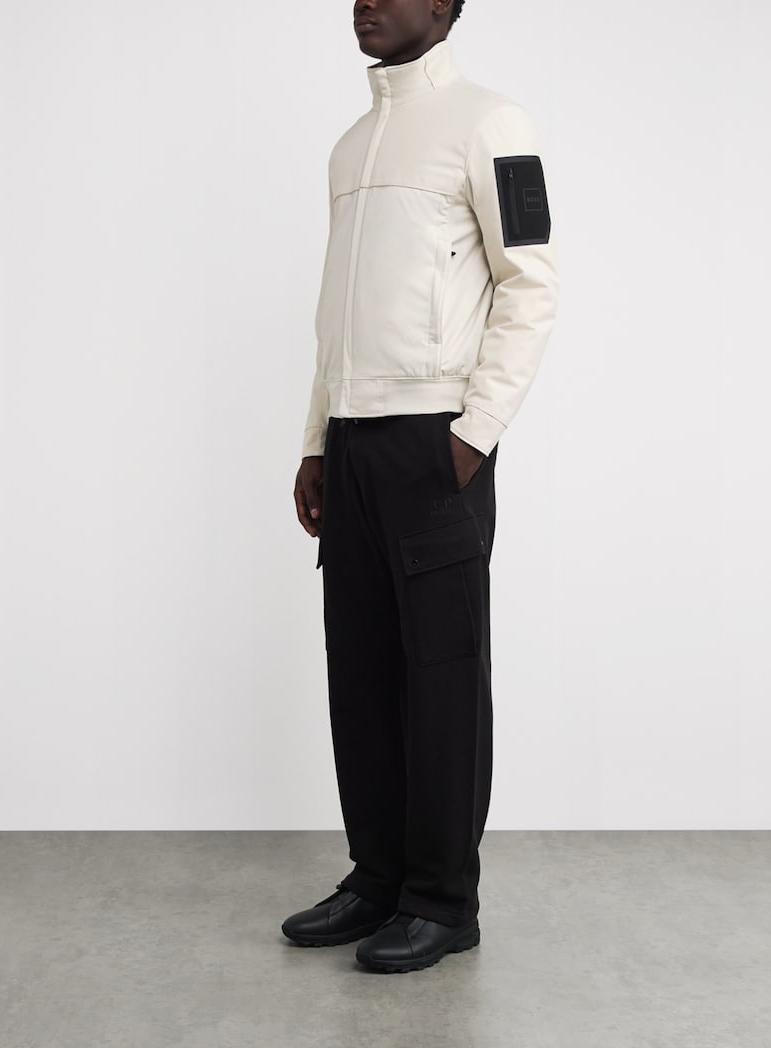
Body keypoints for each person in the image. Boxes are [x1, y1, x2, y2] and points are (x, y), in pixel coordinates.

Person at [285, 0, 559, 974]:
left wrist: (475, 432)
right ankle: (378, 878)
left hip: (434, 440)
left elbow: (531, 283)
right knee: (359, 670)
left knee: (441, 675)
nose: (365, 1)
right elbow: (338, 313)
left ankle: (443, 901)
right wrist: (317, 440)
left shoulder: (491, 121)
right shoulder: (350, 146)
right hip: (354, 440)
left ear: (445, 4)